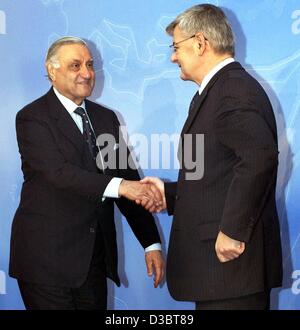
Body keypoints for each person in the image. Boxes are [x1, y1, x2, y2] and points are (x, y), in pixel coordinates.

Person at [141, 4, 282, 310]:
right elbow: (217, 174)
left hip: (232, 270)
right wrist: (169, 194)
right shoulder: (213, 93)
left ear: (200, 43)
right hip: (219, 277)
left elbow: (259, 157)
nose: (173, 56)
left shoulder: (231, 90)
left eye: (176, 47)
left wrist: (232, 231)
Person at [9, 36, 164, 310]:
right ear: (51, 70)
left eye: (90, 65)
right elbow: (58, 173)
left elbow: (128, 180)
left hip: (93, 262)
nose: (87, 73)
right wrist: (122, 186)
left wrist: (151, 243)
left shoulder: (106, 118)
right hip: (46, 263)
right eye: (75, 65)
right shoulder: (32, 118)